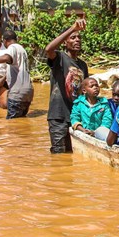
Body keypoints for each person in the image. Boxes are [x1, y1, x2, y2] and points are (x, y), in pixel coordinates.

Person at [44, 19, 90, 154]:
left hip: (75, 116)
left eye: (79, 37)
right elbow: (48, 49)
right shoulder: (59, 58)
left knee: (72, 154)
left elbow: (84, 93)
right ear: (65, 42)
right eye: (73, 38)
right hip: (58, 115)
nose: (77, 40)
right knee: (59, 155)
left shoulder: (82, 65)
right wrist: (72, 28)